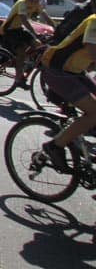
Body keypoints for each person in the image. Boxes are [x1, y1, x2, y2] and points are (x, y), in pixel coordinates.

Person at [39, 13, 96, 172]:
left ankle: (81, 139)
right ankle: (55, 146)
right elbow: (93, 52)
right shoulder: (94, 21)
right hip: (57, 71)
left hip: (75, 72)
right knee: (94, 112)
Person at [0, 0, 56, 89]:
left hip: (19, 29)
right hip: (9, 30)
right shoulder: (22, 3)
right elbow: (24, 20)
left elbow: (46, 16)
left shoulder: (37, 4)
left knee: (39, 46)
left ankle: (25, 64)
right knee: (21, 52)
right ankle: (18, 79)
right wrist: (35, 33)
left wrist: (56, 28)